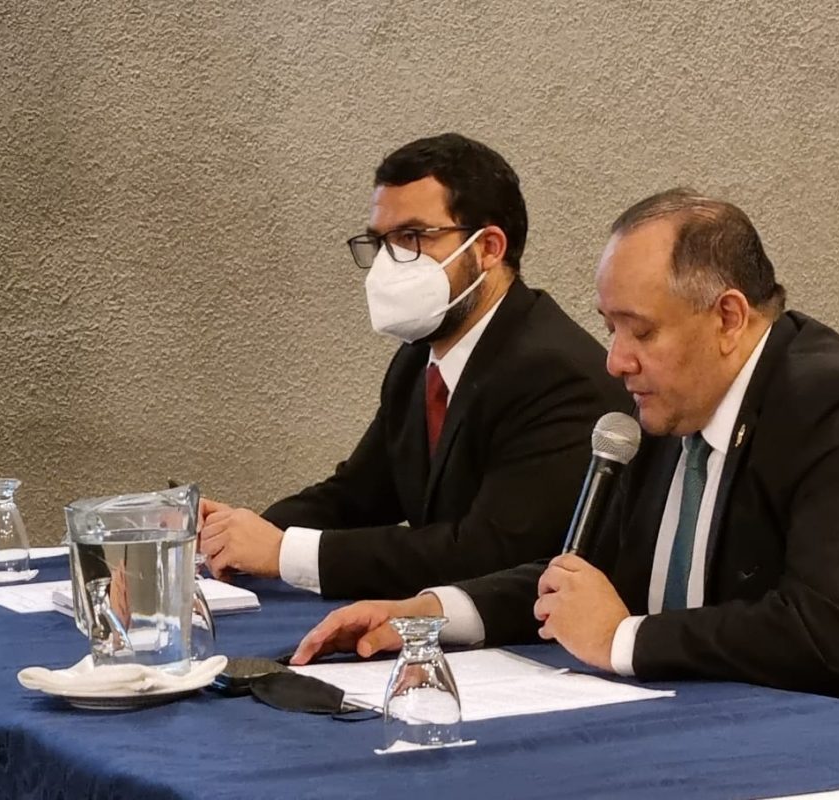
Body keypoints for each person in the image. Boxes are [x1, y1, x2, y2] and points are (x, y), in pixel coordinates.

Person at [289, 188, 839, 747]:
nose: (615, 360)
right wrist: (433, 612)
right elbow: (589, 574)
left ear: (728, 317)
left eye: (639, 331)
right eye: (609, 327)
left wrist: (622, 639)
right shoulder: (673, 406)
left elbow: (823, 629)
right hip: (770, 730)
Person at [198, 133, 630, 599]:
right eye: (379, 242)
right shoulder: (417, 360)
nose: (389, 263)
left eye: (411, 238)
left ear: (488, 247)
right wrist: (236, 535)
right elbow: (354, 496)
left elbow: (487, 553)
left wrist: (285, 552)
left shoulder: (553, 373)